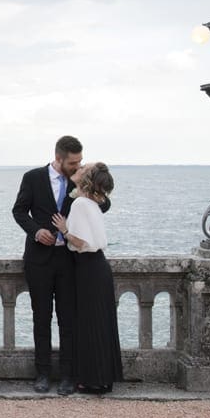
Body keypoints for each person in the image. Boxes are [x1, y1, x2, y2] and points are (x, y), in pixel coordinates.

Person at [12, 135, 109, 396]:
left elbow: (105, 204)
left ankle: (68, 375)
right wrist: (36, 231)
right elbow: (19, 211)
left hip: (69, 260)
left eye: (80, 161)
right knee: (41, 317)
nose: (77, 166)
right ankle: (42, 373)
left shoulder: (80, 181)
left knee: (68, 319)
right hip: (38, 259)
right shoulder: (32, 178)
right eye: (73, 162)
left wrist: (87, 183)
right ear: (58, 158)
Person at [51, 162, 122, 393]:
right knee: (100, 323)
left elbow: (80, 242)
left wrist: (63, 230)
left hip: (88, 268)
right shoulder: (93, 202)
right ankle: (103, 377)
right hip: (98, 266)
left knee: (90, 324)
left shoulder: (81, 203)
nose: (78, 169)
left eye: (83, 168)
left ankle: (92, 379)